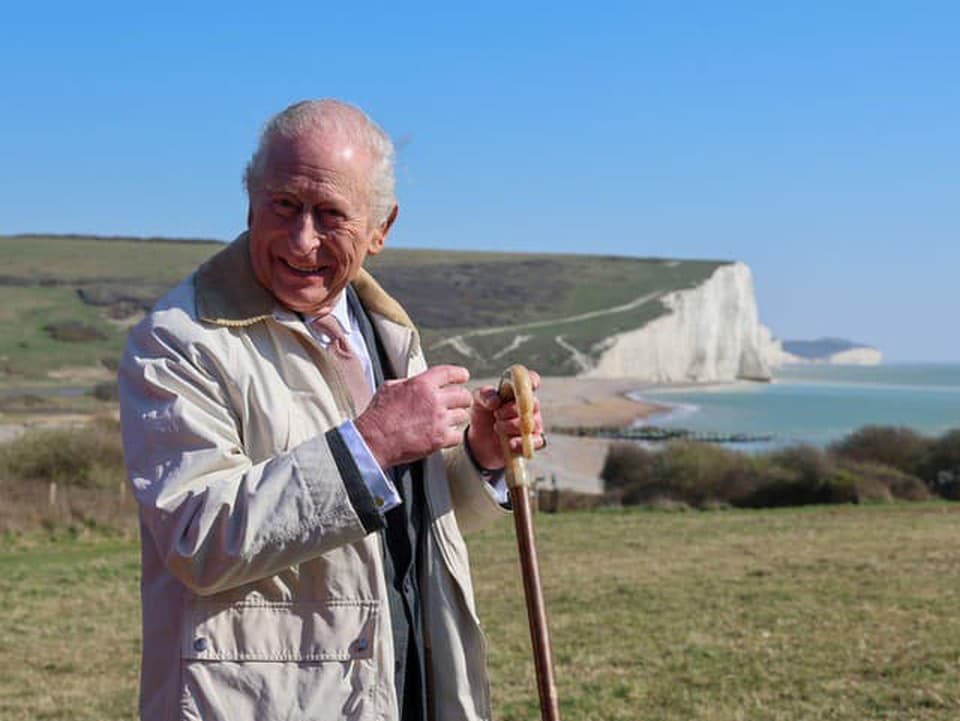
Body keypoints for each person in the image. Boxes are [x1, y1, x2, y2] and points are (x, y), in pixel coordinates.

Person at [119, 99, 544, 721]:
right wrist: (372, 443)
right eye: (284, 205)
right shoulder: (179, 341)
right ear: (250, 202)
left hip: (404, 689)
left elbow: (399, 518)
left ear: (381, 228)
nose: (302, 240)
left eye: (331, 215)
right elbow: (198, 539)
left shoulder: (386, 329)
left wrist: (479, 458)